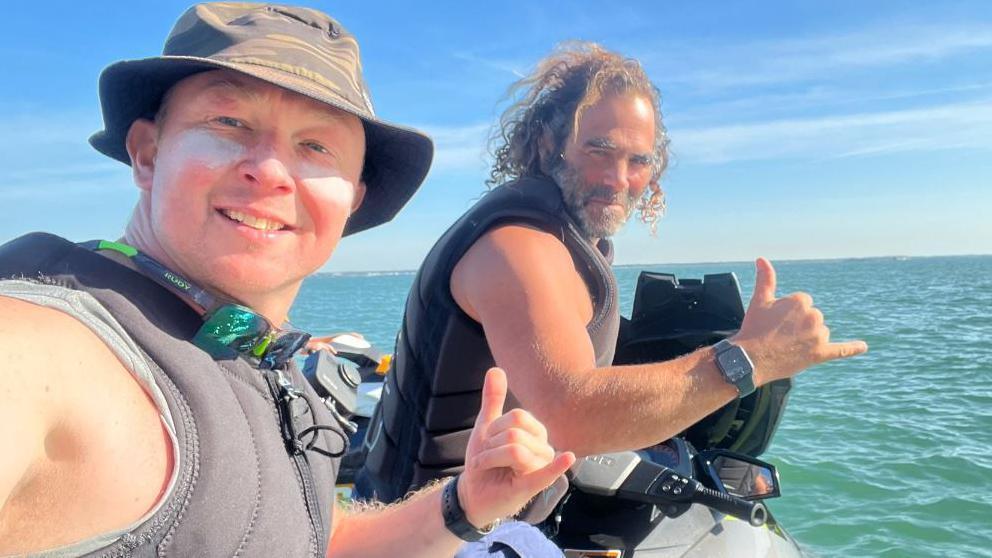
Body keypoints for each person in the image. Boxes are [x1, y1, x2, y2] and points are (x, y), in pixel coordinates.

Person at [0, 4, 574, 557]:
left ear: (352, 198)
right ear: (147, 154)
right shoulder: (48, 346)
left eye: (315, 146)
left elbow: (309, 540)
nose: (270, 171)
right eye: (228, 122)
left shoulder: (256, 350)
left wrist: (464, 504)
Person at [357, 42, 868, 502]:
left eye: (638, 160)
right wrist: (752, 358)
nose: (617, 179)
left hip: (486, 508)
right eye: (598, 150)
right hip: (435, 531)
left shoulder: (571, 234)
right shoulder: (519, 245)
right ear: (544, 144)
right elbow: (571, 413)